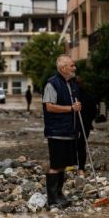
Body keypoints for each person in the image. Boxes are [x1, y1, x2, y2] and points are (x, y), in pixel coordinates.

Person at [42, 54, 81, 207]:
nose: (74, 68)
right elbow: (49, 106)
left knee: (64, 164)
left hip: (68, 131)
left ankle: (59, 194)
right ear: (63, 68)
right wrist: (71, 108)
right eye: (72, 65)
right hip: (56, 131)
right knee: (56, 164)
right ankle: (52, 199)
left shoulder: (71, 83)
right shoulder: (52, 83)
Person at [75, 77, 96, 176]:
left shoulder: (72, 95)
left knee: (71, 146)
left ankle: (71, 165)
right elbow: (94, 111)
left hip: (74, 125)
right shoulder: (89, 94)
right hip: (85, 125)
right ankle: (81, 168)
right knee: (81, 146)